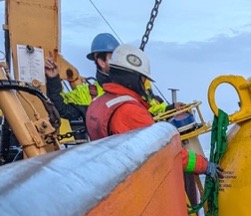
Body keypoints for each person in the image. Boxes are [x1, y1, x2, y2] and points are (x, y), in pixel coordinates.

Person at [85, 44, 220, 178]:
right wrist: (204, 166)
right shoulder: (130, 112)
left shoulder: (99, 103)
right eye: (143, 79)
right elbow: (166, 152)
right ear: (134, 79)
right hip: (133, 186)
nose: (145, 85)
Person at [44, 33, 119, 140]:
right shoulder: (86, 94)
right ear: (101, 62)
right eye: (114, 58)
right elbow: (60, 108)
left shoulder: (134, 88)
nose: (120, 62)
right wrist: (53, 79)